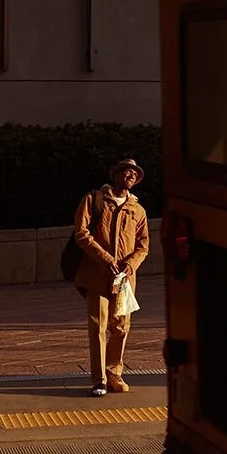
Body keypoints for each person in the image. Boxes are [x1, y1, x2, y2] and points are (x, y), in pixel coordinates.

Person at [69, 157, 149, 396]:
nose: (131, 176)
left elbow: (143, 246)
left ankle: (115, 373)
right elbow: (81, 233)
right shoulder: (94, 199)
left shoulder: (137, 209)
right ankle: (99, 379)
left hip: (124, 280)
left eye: (135, 174)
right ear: (115, 175)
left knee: (122, 327)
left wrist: (130, 265)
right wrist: (106, 260)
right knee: (98, 326)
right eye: (127, 171)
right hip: (96, 275)